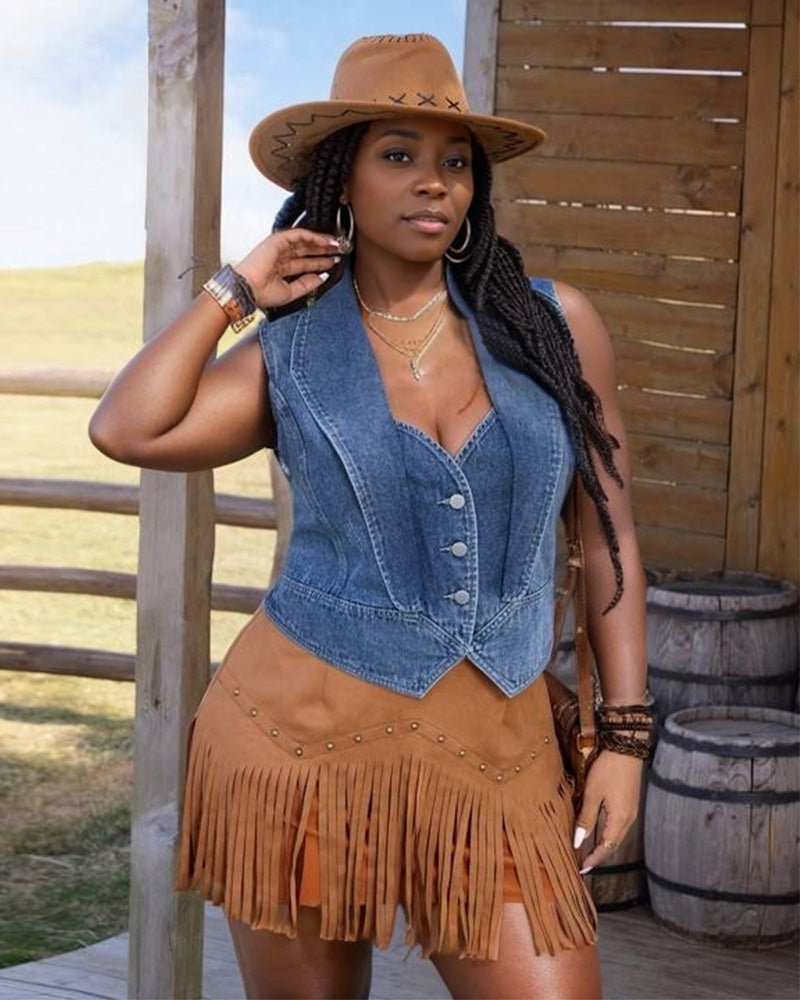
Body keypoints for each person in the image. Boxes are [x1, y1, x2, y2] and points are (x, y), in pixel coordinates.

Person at [90, 33, 655, 1000]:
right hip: (296, 746)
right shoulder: (291, 353)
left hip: (500, 756)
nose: (434, 182)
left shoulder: (553, 326)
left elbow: (613, 536)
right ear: (341, 181)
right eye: (398, 155)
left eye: (455, 162)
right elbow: (127, 427)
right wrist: (235, 291)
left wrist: (626, 740)